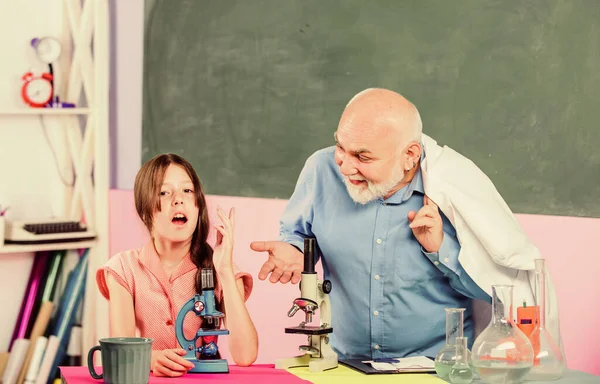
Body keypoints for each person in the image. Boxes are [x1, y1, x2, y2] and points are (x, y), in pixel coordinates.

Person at [251, 88, 561, 360]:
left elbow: (498, 292)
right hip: (345, 365)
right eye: (340, 147)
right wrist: (294, 250)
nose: (345, 165)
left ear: (409, 156)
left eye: (362, 156)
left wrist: (441, 250)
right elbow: (298, 234)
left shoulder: (452, 188)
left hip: (436, 368)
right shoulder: (320, 170)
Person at [96, 154, 258, 376]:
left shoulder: (222, 270)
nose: (178, 200)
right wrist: (152, 359)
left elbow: (246, 355)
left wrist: (226, 271)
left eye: (187, 191)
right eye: (164, 192)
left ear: (198, 206)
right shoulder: (122, 269)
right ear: (145, 210)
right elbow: (122, 351)